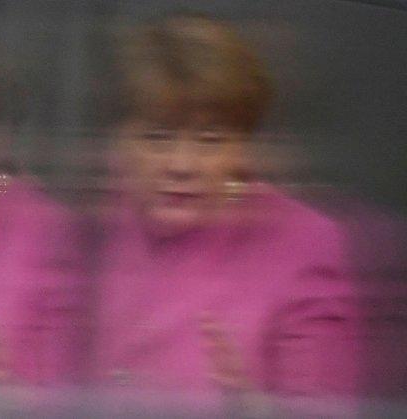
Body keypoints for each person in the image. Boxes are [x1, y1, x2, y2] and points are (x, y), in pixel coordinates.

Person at [90, 14, 360, 415]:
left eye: (210, 139)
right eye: (157, 136)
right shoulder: (89, 230)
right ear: (118, 140)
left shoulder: (303, 244)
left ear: (244, 148)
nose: (182, 164)